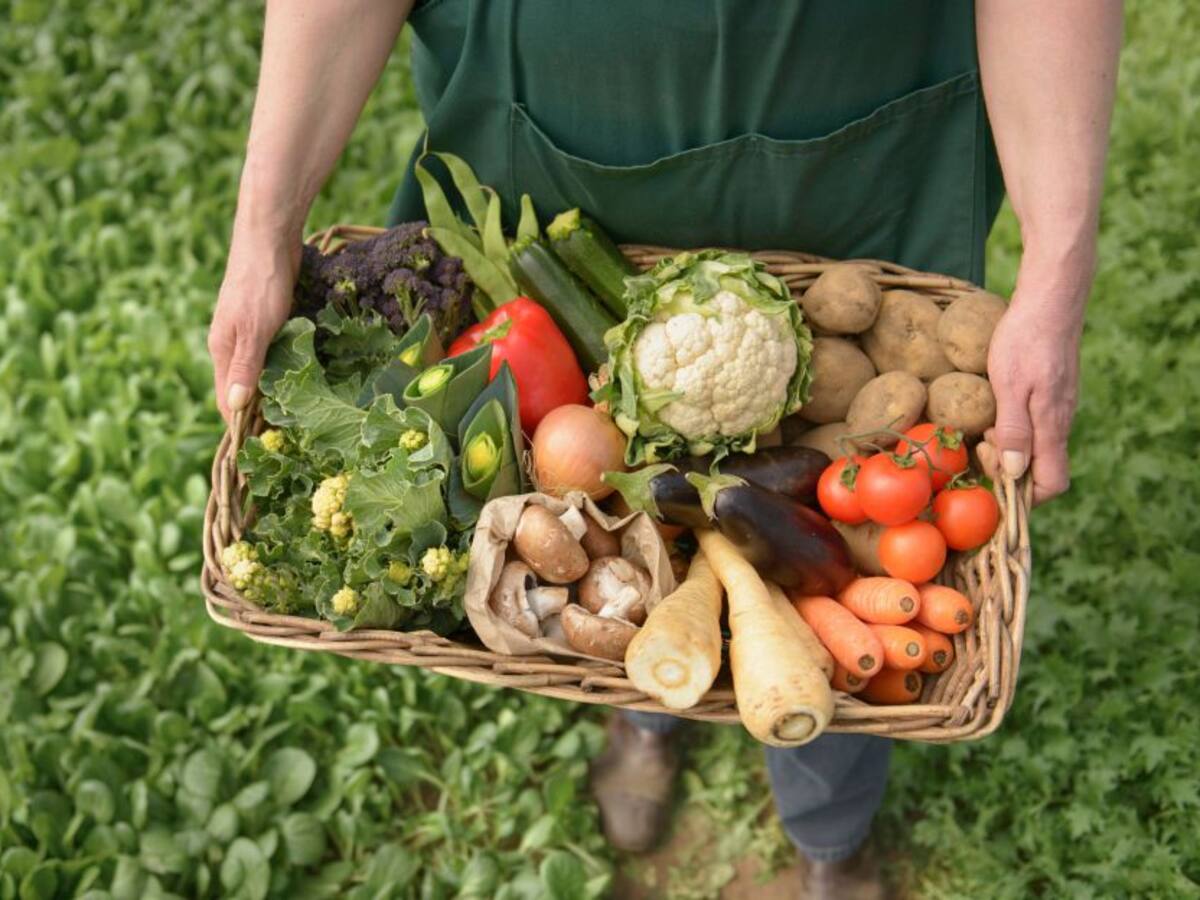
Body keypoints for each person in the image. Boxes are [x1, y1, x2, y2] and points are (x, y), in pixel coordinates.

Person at [209, 2, 1122, 895]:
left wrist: (1059, 264)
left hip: (856, 154)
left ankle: (829, 827)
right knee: (648, 549)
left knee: (839, 585)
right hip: (553, 157)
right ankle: (651, 704)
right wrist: (261, 228)